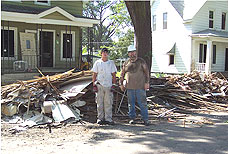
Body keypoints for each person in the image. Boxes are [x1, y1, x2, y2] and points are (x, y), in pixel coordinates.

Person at [119, 45, 150, 126]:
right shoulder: (126, 63)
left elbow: (146, 72)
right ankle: (132, 118)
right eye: (130, 52)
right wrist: (121, 84)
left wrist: (147, 82)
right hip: (130, 88)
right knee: (131, 104)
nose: (132, 54)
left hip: (140, 87)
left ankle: (145, 119)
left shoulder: (141, 61)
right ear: (128, 54)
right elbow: (122, 74)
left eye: (133, 52)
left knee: (142, 103)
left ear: (136, 52)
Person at [91, 48, 117, 125]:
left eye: (106, 52)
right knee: (99, 102)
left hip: (108, 85)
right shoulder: (97, 63)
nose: (105, 54)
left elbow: (114, 75)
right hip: (99, 84)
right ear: (101, 54)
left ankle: (108, 119)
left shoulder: (111, 63)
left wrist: (114, 84)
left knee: (108, 102)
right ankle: (100, 118)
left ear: (108, 54)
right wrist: (94, 84)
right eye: (103, 52)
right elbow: (94, 74)